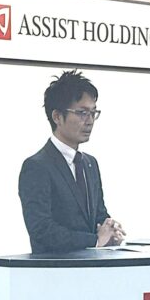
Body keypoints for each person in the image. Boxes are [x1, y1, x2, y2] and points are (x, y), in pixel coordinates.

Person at [18, 70, 125, 254]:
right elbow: (41, 229)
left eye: (93, 113)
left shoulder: (90, 164)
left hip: (93, 266)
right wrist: (95, 240)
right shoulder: (37, 166)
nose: (90, 121)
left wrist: (110, 229)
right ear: (57, 117)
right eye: (82, 113)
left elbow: (98, 216)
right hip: (56, 268)